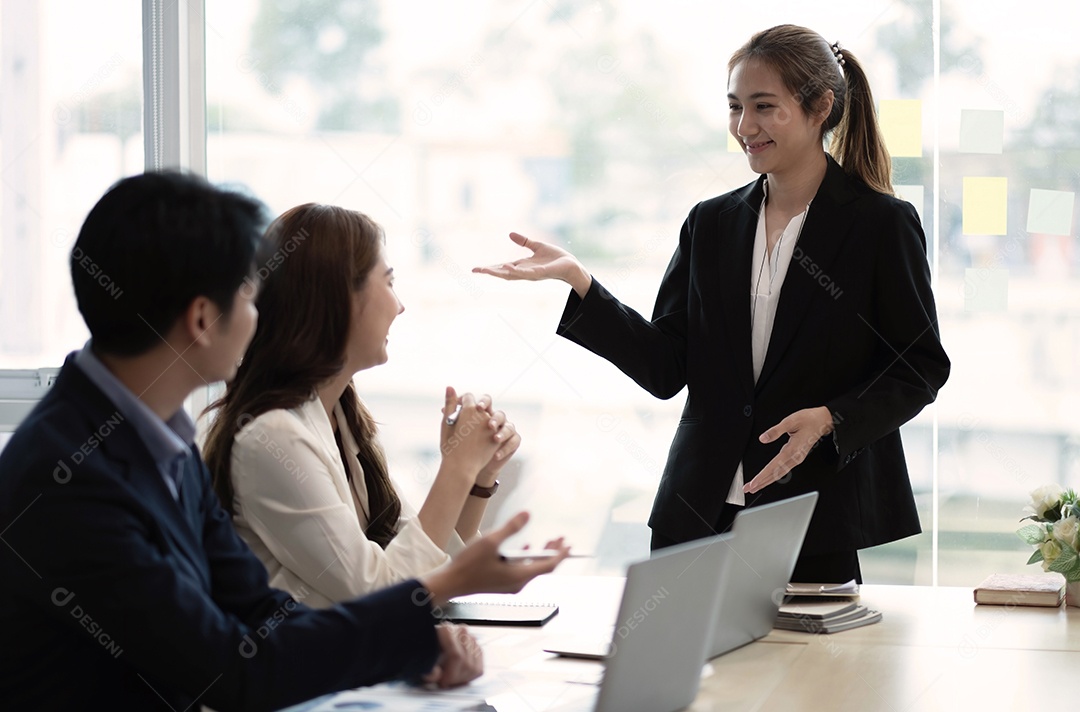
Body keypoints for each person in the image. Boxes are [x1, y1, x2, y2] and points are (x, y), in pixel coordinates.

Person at [0, 171, 568, 711]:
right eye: (249, 297)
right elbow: (237, 669)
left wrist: (409, 643)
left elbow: (260, 610)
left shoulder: (158, 440)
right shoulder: (70, 477)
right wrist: (444, 586)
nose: (259, 317)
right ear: (202, 319)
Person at [474, 24, 950, 583]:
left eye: (764, 107)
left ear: (821, 106)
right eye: (735, 108)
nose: (745, 127)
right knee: (672, 664)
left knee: (804, 672)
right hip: (694, 511)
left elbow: (919, 365)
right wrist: (580, 283)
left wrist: (830, 419)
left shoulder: (881, 225)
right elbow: (666, 366)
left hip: (812, 516)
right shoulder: (711, 223)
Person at [202, 203, 525, 607]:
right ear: (340, 300)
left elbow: (436, 565)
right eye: (388, 283)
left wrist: (478, 475)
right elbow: (381, 594)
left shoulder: (342, 417)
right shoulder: (272, 438)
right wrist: (457, 466)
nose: (399, 305)